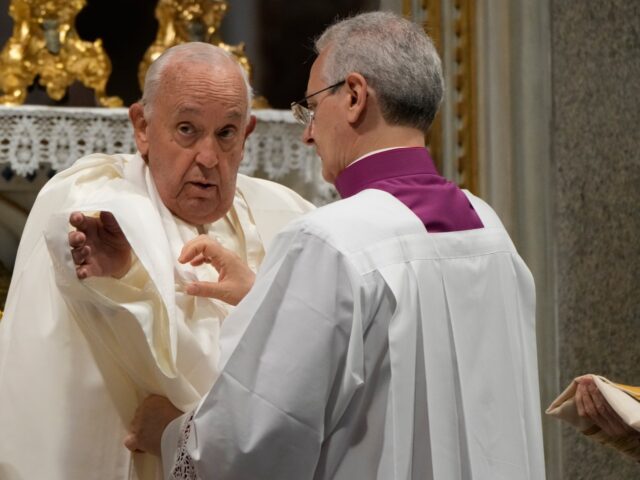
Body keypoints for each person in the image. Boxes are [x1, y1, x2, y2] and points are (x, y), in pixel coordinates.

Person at [126, 12, 546, 479]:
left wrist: (168, 434)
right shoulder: (488, 230)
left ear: (353, 96)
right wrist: (266, 298)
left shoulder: (329, 241)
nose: (307, 133)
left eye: (310, 107)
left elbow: (251, 446)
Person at [0, 42, 313, 480]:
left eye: (226, 133)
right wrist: (122, 274)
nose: (208, 158)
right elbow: (72, 250)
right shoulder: (100, 199)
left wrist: (259, 296)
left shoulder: (290, 215)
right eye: (187, 129)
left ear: (247, 134)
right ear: (142, 127)